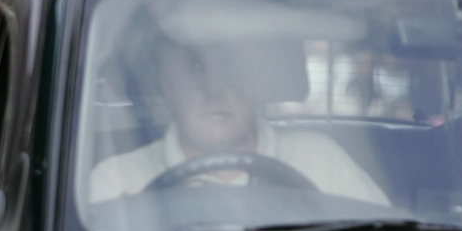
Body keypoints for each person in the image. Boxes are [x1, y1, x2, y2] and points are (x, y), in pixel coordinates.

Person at [90, 35, 389, 205]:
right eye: (194, 69)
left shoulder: (319, 159)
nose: (213, 89)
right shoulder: (119, 178)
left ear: (258, 83)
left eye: (230, 69)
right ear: (166, 87)